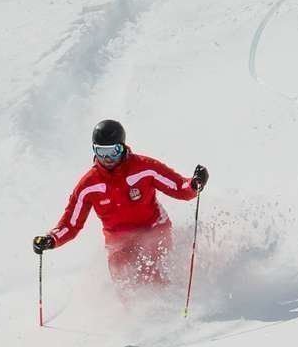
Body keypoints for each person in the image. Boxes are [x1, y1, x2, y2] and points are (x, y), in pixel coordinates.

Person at [33, 120, 207, 295]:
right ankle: (135, 315)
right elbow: (71, 223)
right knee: (121, 273)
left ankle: (167, 303)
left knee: (152, 270)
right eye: (101, 151)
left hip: (153, 228)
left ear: (123, 147)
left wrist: (194, 184)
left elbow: (179, 187)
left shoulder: (144, 168)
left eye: (113, 151)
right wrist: (52, 239)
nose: (107, 158)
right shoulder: (89, 185)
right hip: (119, 240)